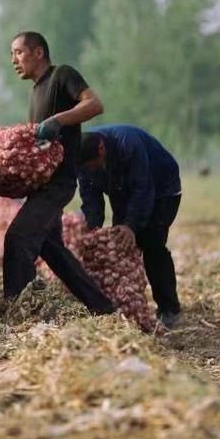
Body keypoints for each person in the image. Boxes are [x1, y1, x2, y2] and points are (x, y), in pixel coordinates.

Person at [4, 31, 116, 314]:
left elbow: (94, 104)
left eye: (18, 52)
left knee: (18, 239)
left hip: (59, 183)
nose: (13, 60)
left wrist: (58, 120)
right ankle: (103, 308)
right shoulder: (35, 91)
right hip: (43, 184)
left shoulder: (61, 76)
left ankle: (19, 311)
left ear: (38, 52)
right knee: (53, 251)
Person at [78, 125, 183, 329]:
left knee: (152, 245)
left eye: (93, 166)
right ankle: (126, 308)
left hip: (162, 190)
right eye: (86, 169)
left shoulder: (128, 144)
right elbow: (90, 196)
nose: (90, 170)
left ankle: (169, 309)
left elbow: (143, 188)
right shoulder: (83, 160)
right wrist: (92, 228)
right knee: (120, 247)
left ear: (101, 149)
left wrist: (131, 225)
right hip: (123, 191)